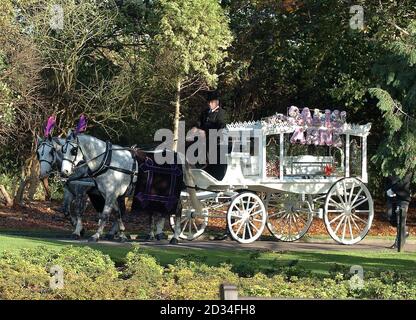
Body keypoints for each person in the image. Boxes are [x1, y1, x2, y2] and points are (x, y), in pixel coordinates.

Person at [190, 90, 227, 181]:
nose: (209, 104)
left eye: (211, 102)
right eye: (209, 102)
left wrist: (204, 132)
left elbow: (220, 126)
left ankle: (205, 164)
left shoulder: (221, 113)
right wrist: (195, 128)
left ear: (216, 102)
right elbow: (199, 123)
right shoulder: (205, 112)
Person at [385, 172, 412, 249]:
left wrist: (393, 189)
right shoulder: (391, 165)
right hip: (391, 196)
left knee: (400, 220)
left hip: (403, 196)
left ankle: (398, 245)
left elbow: (405, 180)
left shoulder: (407, 165)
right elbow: (388, 180)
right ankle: (405, 230)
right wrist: (388, 190)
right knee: (390, 217)